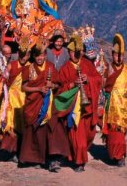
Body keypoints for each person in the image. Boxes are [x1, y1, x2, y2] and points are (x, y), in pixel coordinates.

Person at [19, 42, 70, 172]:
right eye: (37, 56)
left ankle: (53, 159)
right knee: (35, 132)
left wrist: (52, 85)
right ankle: (35, 159)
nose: (40, 58)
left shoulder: (51, 67)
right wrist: (38, 88)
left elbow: (59, 85)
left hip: (49, 104)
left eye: (42, 55)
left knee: (53, 129)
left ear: (45, 55)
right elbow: (24, 87)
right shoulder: (29, 69)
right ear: (34, 57)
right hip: (34, 103)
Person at [58, 34, 102, 172]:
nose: (75, 55)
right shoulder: (65, 68)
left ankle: (75, 155)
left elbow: (98, 79)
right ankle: (79, 162)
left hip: (87, 107)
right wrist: (71, 84)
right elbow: (59, 89)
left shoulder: (87, 64)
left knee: (90, 134)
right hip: (73, 110)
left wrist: (88, 78)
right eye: (72, 52)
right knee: (78, 138)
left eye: (77, 52)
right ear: (69, 52)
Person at [0, 41, 31, 163]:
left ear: (29, 55)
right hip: (12, 99)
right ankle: (12, 151)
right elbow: (4, 81)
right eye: (22, 55)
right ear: (18, 54)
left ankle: (22, 152)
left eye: (26, 55)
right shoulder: (11, 65)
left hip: (25, 100)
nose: (24, 58)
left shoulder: (31, 67)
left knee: (24, 126)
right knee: (11, 125)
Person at [102, 33, 127, 167]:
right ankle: (113, 154)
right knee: (113, 133)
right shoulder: (108, 69)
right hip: (111, 106)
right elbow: (103, 84)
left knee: (121, 133)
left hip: (123, 107)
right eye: (116, 55)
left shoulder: (126, 70)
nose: (118, 57)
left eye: (121, 55)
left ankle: (121, 156)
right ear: (112, 55)